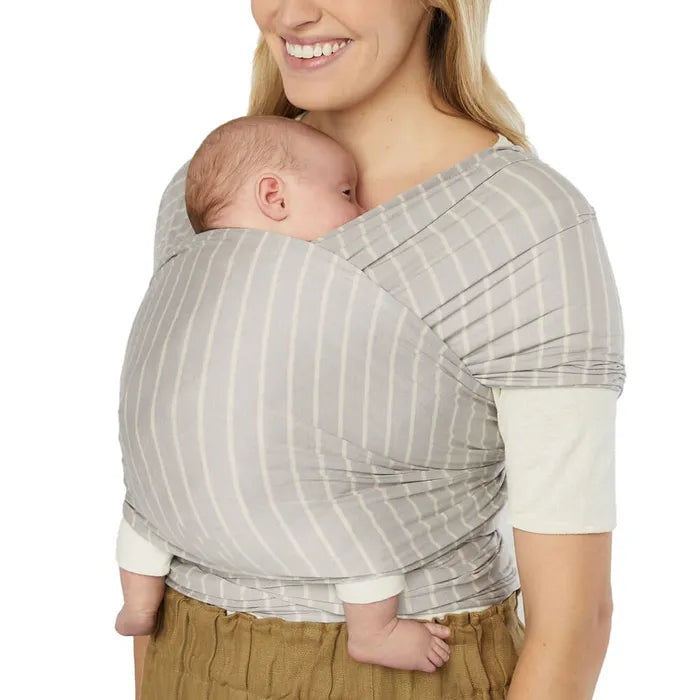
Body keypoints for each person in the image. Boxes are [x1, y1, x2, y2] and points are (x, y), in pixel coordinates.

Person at [123, 2, 625, 698]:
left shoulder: (521, 225)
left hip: (406, 673)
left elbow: (572, 623)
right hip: (188, 663)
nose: (293, 12)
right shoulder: (209, 188)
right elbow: (168, 467)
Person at [115, 113, 454, 672]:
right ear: (274, 197)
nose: (361, 212)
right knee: (366, 533)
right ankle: (374, 631)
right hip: (289, 496)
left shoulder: (188, 273)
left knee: (141, 515)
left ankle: (138, 601)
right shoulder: (314, 280)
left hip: (173, 497)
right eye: (346, 193)